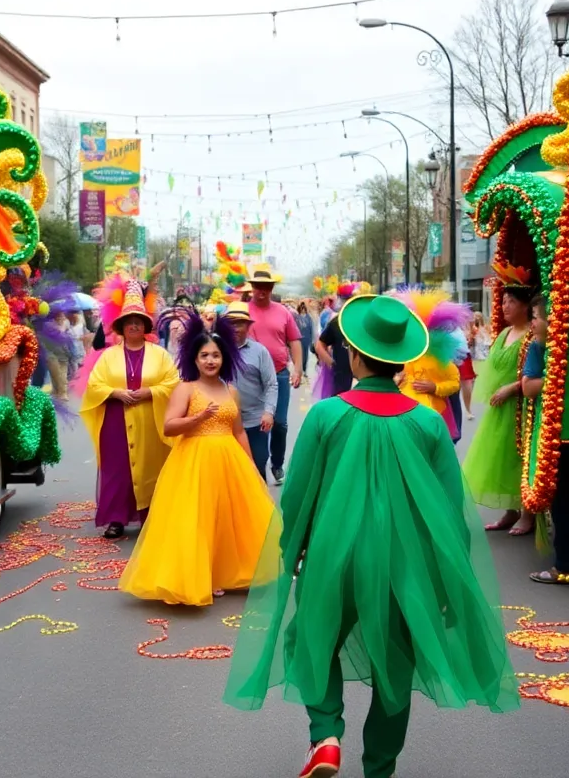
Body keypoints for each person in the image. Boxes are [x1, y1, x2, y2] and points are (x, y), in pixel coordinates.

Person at [224, 294, 519, 778]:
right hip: (407, 562)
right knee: (396, 666)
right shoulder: (427, 422)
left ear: (357, 358)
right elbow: (450, 511)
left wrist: (293, 547)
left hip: (334, 553)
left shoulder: (326, 415)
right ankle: (379, 768)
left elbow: (297, 495)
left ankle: (326, 736)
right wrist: (448, 577)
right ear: (400, 360)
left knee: (312, 640)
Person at [119, 312, 278, 606]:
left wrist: (251, 465)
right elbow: (169, 426)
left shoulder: (231, 390)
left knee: (228, 519)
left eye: (215, 355)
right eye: (204, 355)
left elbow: (239, 431)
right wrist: (198, 418)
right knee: (199, 519)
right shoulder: (186, 388)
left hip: (230, 461)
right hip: (194, 462)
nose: (210, 361)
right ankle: (199, 575)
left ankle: (227, 572)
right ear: (195, 359)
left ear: (224, 358)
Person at [81, 281, 179, 539]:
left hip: (150, 418)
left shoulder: (160, 354)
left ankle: (150, 516)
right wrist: (116, 393)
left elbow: (172, 382)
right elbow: (94, 384)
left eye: (138, 322)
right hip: (115, 420)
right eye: (129, 322)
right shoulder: (108, 356)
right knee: (117, 470)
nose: (134, 326)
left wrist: (150, 392)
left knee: (151, 467)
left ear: (145, 327)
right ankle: (116, 518)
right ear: (122, 327)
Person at [524, 296, 569, 585]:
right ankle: (567, 560)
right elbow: (528, 387)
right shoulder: (538, 348)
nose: (532, 323)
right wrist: (561, 377)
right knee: (565, 501)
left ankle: (567, 565)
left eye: (536, 317)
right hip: (557, 433)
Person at [464, 273, 534, 536]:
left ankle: (528, 513)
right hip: (501, 408)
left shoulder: (532, 335)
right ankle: (511, 510)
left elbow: (539, 372)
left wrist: (512, 388)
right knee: (502, 459)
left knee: (521, 458)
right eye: (503, 301)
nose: (505, 306)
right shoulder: (505, 332)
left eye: (511, 301)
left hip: (522, 407)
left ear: (525, 306)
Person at [245, 264, 302, 485]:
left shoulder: (283, 312)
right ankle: (253, 465)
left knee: (279, 422)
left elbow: (294, 341)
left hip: (278, 375)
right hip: (249, 377)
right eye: (258, 286)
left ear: (271, 288)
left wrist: (297, 368)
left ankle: (277, 464)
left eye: (266, 287)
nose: (262, 291)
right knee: (253, 422)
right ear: (252, 288)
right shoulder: (242, 310)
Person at [390, 288, 470, 443]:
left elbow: (454, 382)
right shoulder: (406, 356)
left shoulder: (440, 359)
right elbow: (395, 377)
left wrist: (435, 387)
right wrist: (397, 380)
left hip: (433, 413)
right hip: (405, 413)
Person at [225, 302, 278, 480]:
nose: (234, 328)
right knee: (231, 471)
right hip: (226, 423)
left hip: (255, 421)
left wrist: (268, 412)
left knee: (257, 466)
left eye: (239, 323)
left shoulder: (259, 351)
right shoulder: (216, 351)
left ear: (248, 326)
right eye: (231, 323)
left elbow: (271, 384)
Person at [294, 302, 314, 378]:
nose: (303, 310)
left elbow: (311, 329)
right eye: (301, 308)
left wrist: (311, 340)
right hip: (299, 339)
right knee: (300, 355)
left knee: (306, 355)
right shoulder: (297, 318)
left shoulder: (309, 318)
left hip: (307, 339)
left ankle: (305, 370)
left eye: (304, 308)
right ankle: (301, 370)